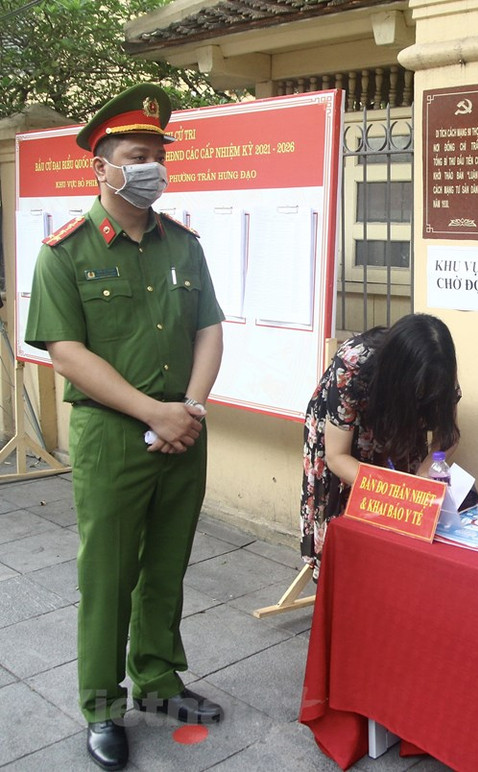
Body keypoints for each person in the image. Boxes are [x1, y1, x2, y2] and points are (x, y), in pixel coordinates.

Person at [24, 83, 225, 770]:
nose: (152, 169)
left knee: (167, 565)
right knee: (109, 576)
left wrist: (188, 409)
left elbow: (209, 330)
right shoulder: (65, 252)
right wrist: (153, 412)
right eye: (138, 157)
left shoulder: (183, 245)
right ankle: (102, 706)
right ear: (101, 167)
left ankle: (159, 680)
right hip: (112, 438)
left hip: (184, 431)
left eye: (158, 156)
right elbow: (67, 353)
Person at [301, 313, 461, 570]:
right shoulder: (354, 363)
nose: (424, 394)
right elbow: (337, 457)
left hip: (398, 430)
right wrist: (392, 490)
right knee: (351, 520)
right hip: (345, 433)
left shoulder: (437, 365)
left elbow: (448, 435)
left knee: (402, 524)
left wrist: (423, 474)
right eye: (418, 389)